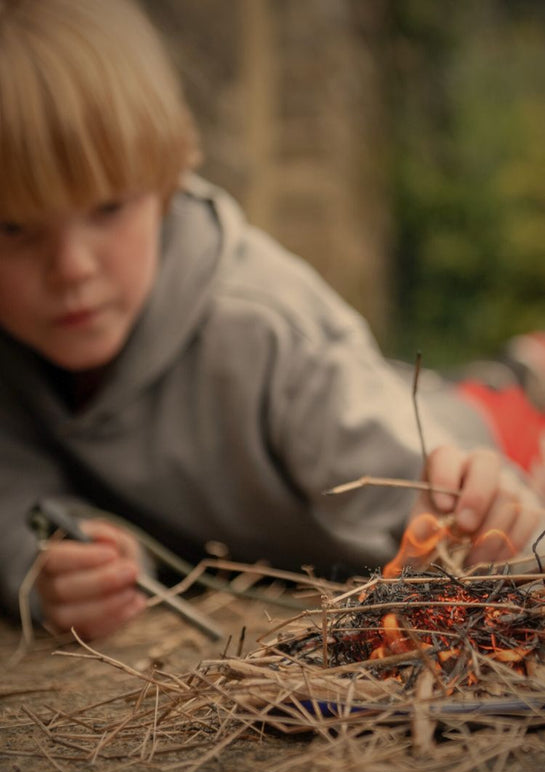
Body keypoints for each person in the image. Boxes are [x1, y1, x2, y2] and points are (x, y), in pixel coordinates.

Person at [0, 0, 542, 641]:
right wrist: (47, 567)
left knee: (499, 410)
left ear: (168, 180)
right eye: (15, 228)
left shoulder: (267, 328)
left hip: (446, 425)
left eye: (108, 208)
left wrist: (483, 513)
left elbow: (432, 492)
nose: (71, 268)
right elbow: (16, 490)